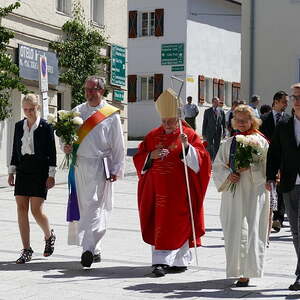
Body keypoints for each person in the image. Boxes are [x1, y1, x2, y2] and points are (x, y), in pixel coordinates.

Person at [133, 88, 211, 277]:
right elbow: (140, 157)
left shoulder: (189, 135)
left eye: (170, 121)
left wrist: (186, 147)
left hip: (180, 191)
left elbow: (202, 161)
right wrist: (150, 156)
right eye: (163, 121)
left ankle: (180, 261)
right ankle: (160, 262)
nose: (166, 124)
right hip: (157, 190)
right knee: (159, 223)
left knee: (179, 223)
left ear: (178, 118)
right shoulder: (152, 135)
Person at [63, 76, 125, 268]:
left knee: (97, 207)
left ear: (101, 91)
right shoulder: (77, 112)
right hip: (80, 165)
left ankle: (87, 249)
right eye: (86, 89)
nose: (89, 93)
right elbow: (67, 137)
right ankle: (95, 248)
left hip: (101, 165)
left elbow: (118, 146)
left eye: (92, 89)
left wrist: (116, 168)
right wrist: (65, 146)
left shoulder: (111, 115)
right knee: (83, 207)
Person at [213, 105, 269, 287]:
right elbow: (218, 165)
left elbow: (267, 165)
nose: (241, 124)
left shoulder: (260, 141)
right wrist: (228, 174)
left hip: (253, 191)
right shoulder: (228, 142)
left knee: (251, 228)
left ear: (253, 121)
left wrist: (249, 168)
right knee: (234, 228)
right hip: (232, 191)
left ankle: (248, 271)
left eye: (245, 120)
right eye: (238, 120)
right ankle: (236, 269)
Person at [8, 94, 57, 264]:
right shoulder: (18, 126)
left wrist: (51, 175)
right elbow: (15, 150)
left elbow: (52, 152)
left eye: (31, 109)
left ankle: (49, 236)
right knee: (21, 208)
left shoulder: (46, 126)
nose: (28, 112)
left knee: (36, 210)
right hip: (23, 170)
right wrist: (11, 171)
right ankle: (26, 249)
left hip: (39, 171)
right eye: (25, 109)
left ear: (38, 108)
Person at [266, 83, 300, 291]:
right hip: (289, 183)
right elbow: (275, 152)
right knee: (295, 232)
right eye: (294, 97)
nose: (295, 101)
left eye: (299, 97)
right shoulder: (284, 124)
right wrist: (270, 176)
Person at [260, 91, 289, 233]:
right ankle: (268, 215)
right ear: (276, 101)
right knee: (269, 186)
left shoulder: (289, 120)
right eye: (284, 102)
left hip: (284, 160)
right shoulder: (263, 119)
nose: (286, 105)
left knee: (282, 187)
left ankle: (278, 218)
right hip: (267, 159)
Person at [202, 97, 226, 161]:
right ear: (212, 102)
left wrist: (224, 132)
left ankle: (215, 160)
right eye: (215, 102)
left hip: (218, 132)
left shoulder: (221, 111)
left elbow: (224, 123)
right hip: (209, 132)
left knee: (217, 146)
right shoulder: (207, 111)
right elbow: (204, 123)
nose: (217, 103)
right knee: (210, 146)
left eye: (218, 102)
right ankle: (209, 159)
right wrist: (203, 134)